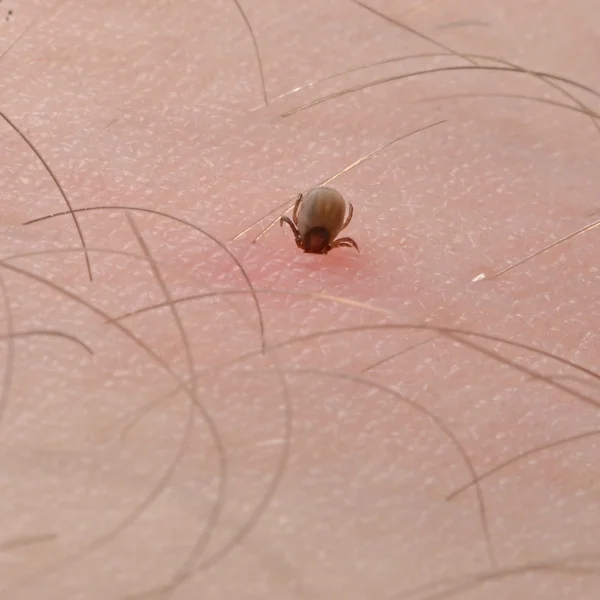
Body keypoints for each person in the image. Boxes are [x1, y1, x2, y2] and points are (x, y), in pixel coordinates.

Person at [1, 1, 599, 598]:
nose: (314, 247)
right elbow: (338, 219)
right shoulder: (330, 229)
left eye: (316, 243)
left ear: (317, 237)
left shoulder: (314, 227)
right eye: (319, 242)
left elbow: (316, 216)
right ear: (326, 237)